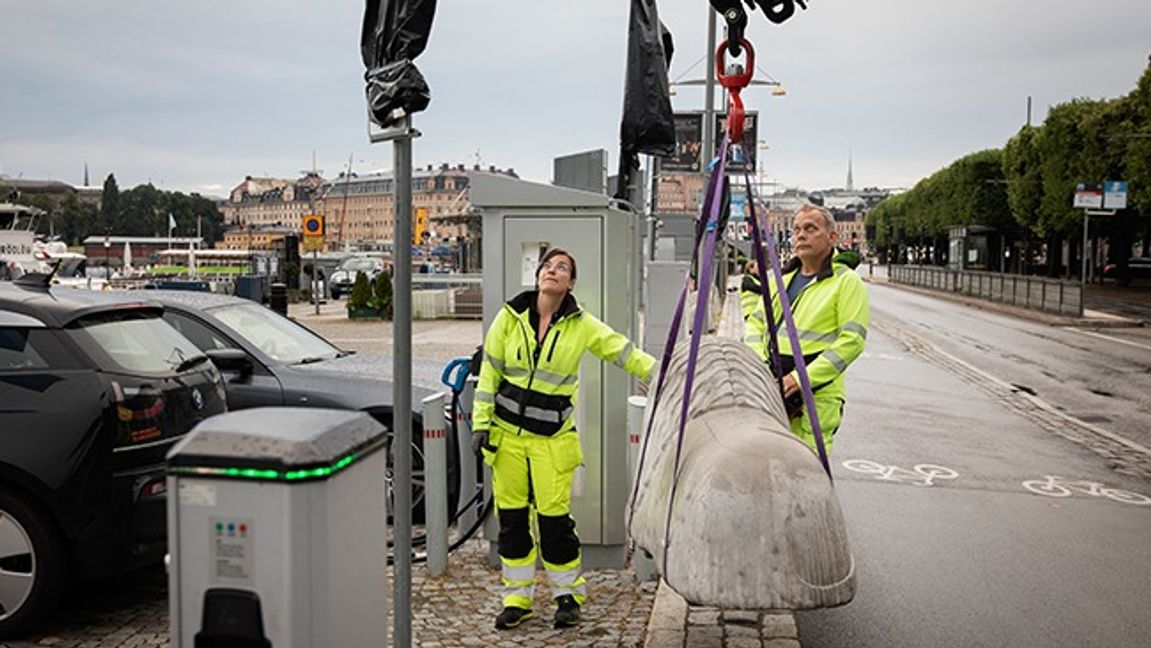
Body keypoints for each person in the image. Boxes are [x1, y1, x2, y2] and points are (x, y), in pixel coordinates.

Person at [471, 248, 655, 630]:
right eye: (548, 266)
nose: (552, 271)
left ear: (571, 283)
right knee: (513, 522)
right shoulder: (508, 318)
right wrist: (481, 424)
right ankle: (517, 598)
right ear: (538, 275)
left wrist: (667, 372)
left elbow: (623, 351)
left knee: (555, 523)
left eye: (562, 268)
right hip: (506, 438)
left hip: (551, 440)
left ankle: (567, 596)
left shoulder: (581, 325)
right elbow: (489, 374)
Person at [743, 203, 869, 452]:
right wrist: (760, 365)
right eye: (796, 229)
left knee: (806, 476)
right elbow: (756, 322)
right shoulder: (782, 279)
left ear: (832, 237)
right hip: (774, 387)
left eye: (811, 228)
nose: (801, 235)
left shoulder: (846, 282)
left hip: (816, 397)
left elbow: (851, 342)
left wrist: (799, 379)